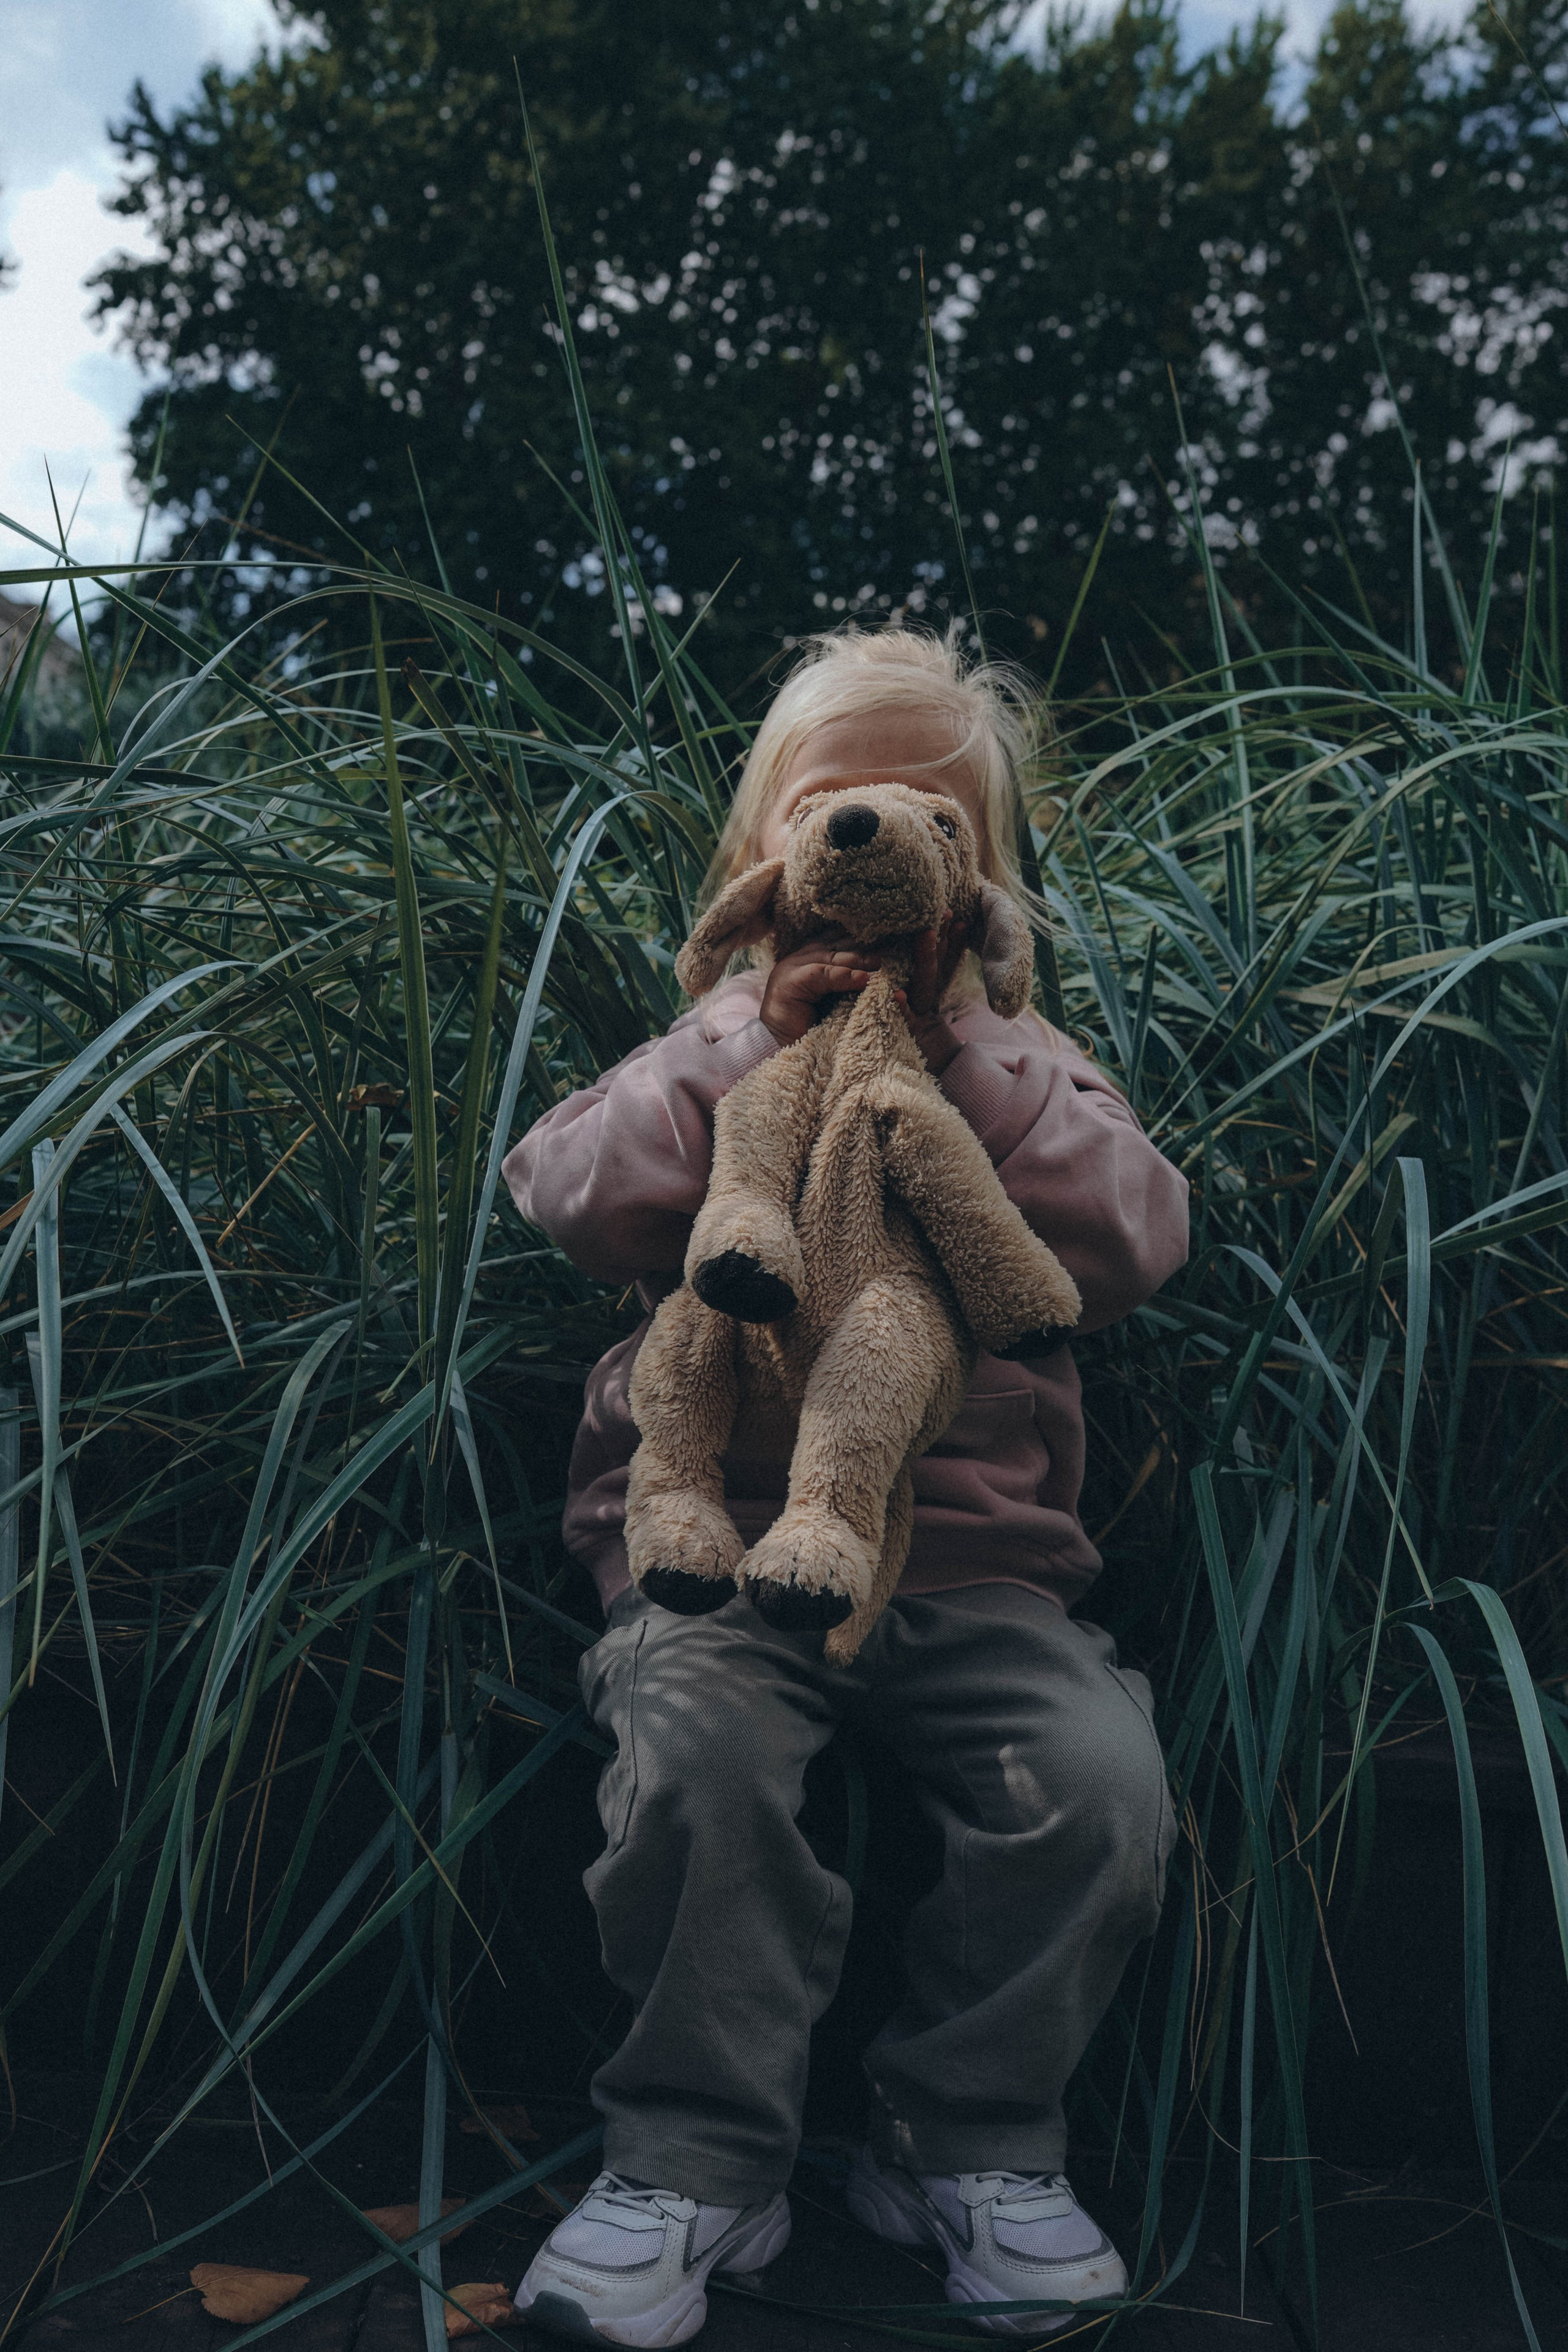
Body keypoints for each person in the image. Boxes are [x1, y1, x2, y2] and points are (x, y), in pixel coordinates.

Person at [502, 627, 1189, 2346]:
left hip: (973, 1563)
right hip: (716, 1549)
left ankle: (963, 2140)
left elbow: (1131, 1238)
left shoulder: (1022, 1060)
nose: (880, 841)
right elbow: (567, 1195)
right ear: (768, 856)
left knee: (1095, 1793)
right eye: (839, 809)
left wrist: (966, 1050)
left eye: (932, 819)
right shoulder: (714, 1039)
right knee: (699, 1767)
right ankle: (696, 2161)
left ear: (983, 879)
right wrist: (743, 1043)